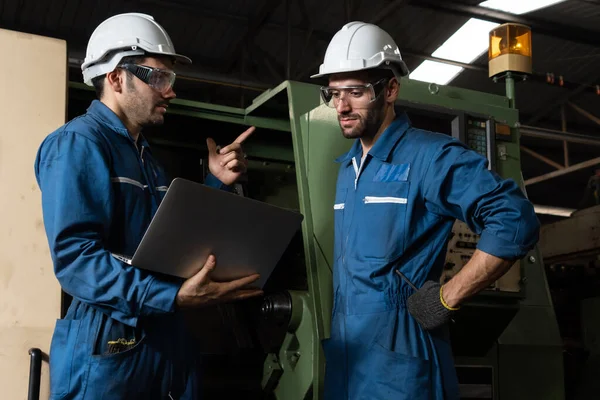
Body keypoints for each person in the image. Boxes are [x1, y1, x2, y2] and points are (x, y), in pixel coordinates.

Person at [34, 12, 263, 400]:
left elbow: (168, 241)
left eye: (170, 79)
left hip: (162, 334)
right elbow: (76, 260)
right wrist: (170, 296)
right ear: (116, 77)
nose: (170, 91)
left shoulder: (144, 155)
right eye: (158, 77)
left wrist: (216, 184)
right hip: (111, 335)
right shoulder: (79, 144)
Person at [311, 22, 540, 399]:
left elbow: (515, 219)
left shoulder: (431, 157)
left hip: (401, 366)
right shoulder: (348, 168)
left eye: (355, 92)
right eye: (333, 93)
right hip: (348, 363)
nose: (342, 106)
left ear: (390, 89)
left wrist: (448, 296)